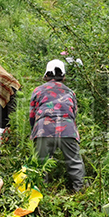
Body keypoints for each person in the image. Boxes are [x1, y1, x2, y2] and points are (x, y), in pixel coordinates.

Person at [29, 59, 85, 192]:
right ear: (63, 76)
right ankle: (80, 190)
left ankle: (40, 193)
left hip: (43, 129)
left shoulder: (38, 90)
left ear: (46, 75)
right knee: (74, 162)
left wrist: (34, 132)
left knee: (41, 163)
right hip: (67, 129)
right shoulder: (70, 92)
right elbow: (73, 113)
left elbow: (32, 115)